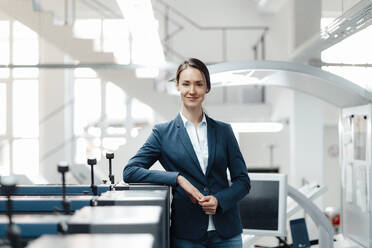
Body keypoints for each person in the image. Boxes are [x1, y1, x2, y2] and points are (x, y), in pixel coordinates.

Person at [123, 58, 250, 248]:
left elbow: (243, 181)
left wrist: (219, 200)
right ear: (177, 86)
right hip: (187, 235)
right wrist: (177, 178)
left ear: (207, 88)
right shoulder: (162, 133)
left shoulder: (224, 131)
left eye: (199, 84)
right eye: (186, 84)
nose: (192, 91)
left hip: (227, 234)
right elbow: (130, 171)